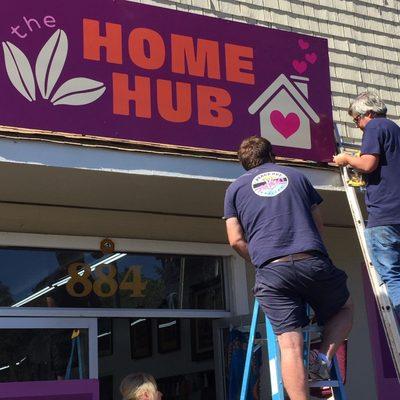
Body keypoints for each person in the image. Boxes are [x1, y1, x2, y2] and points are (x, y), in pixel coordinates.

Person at [224, 136, 353, 400]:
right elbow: (319, 226)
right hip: (311, 260)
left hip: (273, 270)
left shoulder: (235, 189)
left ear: (244, 163)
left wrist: (261, 259)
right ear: (272, 155)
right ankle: (321, 358)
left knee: (290, 346)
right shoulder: (297, 177)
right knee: (345, 307)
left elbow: (235, 239)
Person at [334, 91, 400, 319]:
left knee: (391, 276)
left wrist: (346, 159)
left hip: (384, 214)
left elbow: (369, 163)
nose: (358, 126)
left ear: (369, 113)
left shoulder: (374, 128)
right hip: (397, 211)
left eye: (357, 120)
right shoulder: (395, 130)